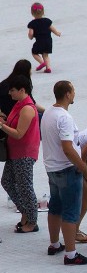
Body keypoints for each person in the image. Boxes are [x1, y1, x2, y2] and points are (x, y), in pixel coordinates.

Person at [41, 81, 87, 264]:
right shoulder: (64, 118)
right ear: (67, 94)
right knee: (71, 212)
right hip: (66, 169)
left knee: (55, 206)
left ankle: (55, 244)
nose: (74, 94)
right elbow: (68, 148)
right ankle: (71, 254)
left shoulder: (48, 113)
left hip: (51, 168)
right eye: (73, 91)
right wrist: (84, 168)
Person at [0, 75, 40, 233]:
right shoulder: (19, 104)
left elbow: (18, 133)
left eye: (13, 91)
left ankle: (32, 221)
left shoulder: (28, 108)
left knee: (25, 187)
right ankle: (25, 211)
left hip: (24, 153)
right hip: (14, 152)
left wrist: (1, 126)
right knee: (7, 181)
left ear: (22, 90)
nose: (10, 94)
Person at [27, 2, 61, 73]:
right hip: (48, 41)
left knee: (34, 53)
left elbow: (31, 33)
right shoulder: (47, 21)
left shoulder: (32, 24)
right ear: (43, 12)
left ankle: (42, 63)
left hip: (39, 41)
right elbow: (52, 29)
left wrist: (30, 37)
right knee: (45, 55)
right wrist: (57, 33)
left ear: (32, 13)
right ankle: (48, 68)